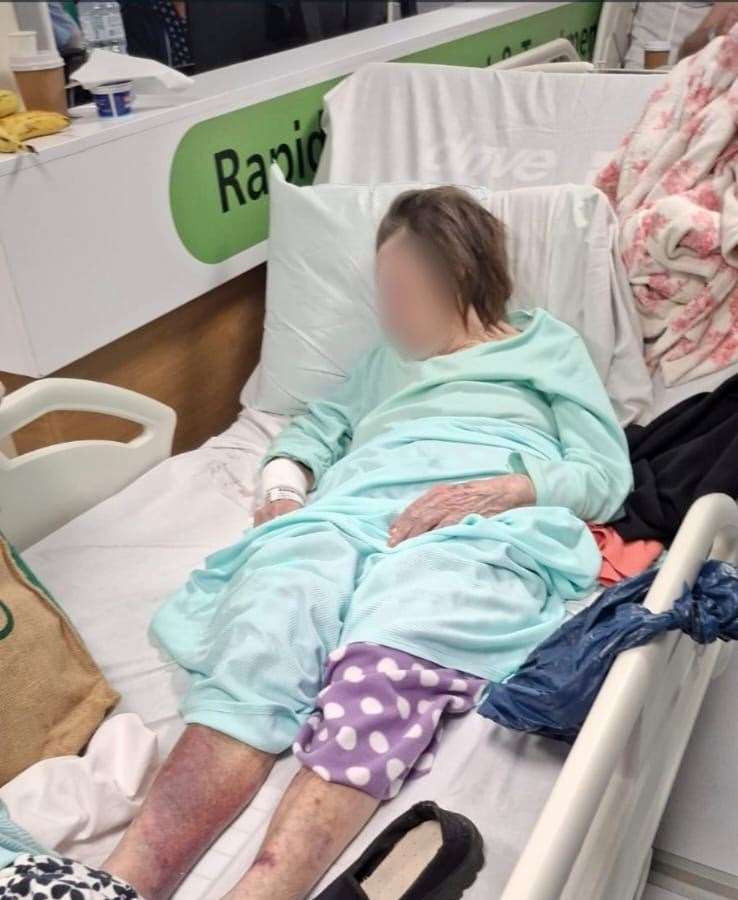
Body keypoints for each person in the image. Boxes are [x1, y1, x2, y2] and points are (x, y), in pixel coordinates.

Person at [99, 187, 632, 900]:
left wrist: (506, 490)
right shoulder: (386, 362)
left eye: (400, 291)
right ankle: (119, 882)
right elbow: (315, 431)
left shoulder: (549, 348)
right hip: (352, 507)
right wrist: (284, 490)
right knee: (272, 613)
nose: (386, 310)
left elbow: (604, 474)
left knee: (406, 630)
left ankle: (267, 888)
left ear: (461, 282)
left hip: (476, 518)